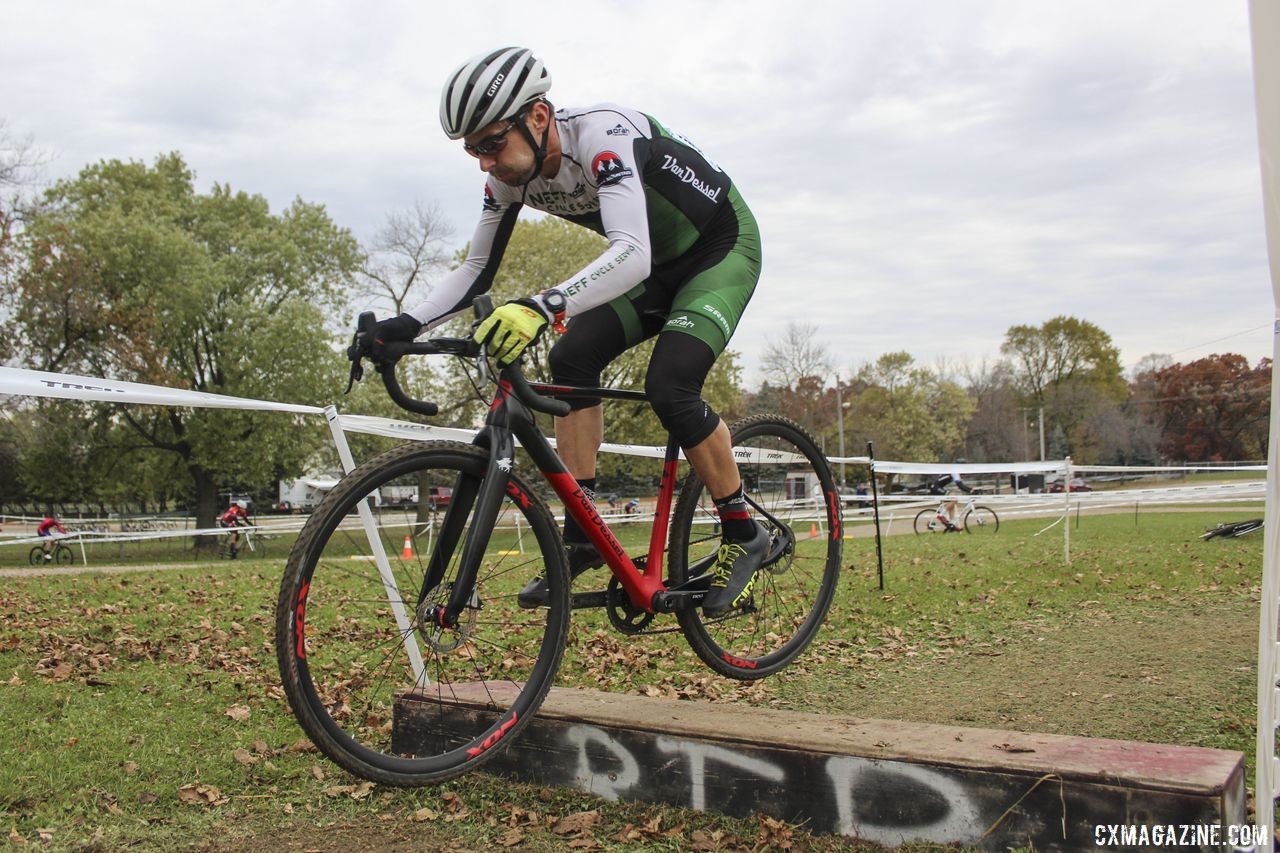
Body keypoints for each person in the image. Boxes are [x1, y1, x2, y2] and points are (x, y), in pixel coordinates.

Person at [374, 47, 765, 616]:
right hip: (653, 266)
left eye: (490, 143)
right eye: (471, 150)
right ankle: (582, 534)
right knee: (572, 360)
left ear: (537, 118)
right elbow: (475, 269)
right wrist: (404, 325)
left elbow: (629, 254)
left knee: (671, 385)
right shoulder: (510, 179)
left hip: (718, 251)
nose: (483, 162)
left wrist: (542, 305)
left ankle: (744, 533)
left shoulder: (604, 137)